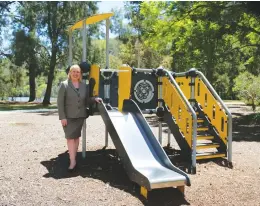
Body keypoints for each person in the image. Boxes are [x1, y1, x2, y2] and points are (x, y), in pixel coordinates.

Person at [57, 64, 102, 172]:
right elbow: (60, 103)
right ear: (70, 73)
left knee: (76, 137)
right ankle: (72, 161)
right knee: (69, 138)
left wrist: (94, 99)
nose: (76, 74)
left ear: (80, 74)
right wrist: (62, 117)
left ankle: (74, 158)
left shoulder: (83, 86)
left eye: (78, 72)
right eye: (74, 71)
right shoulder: (64, 85)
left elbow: (86, 100)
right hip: (68, 117)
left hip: (80, 116)